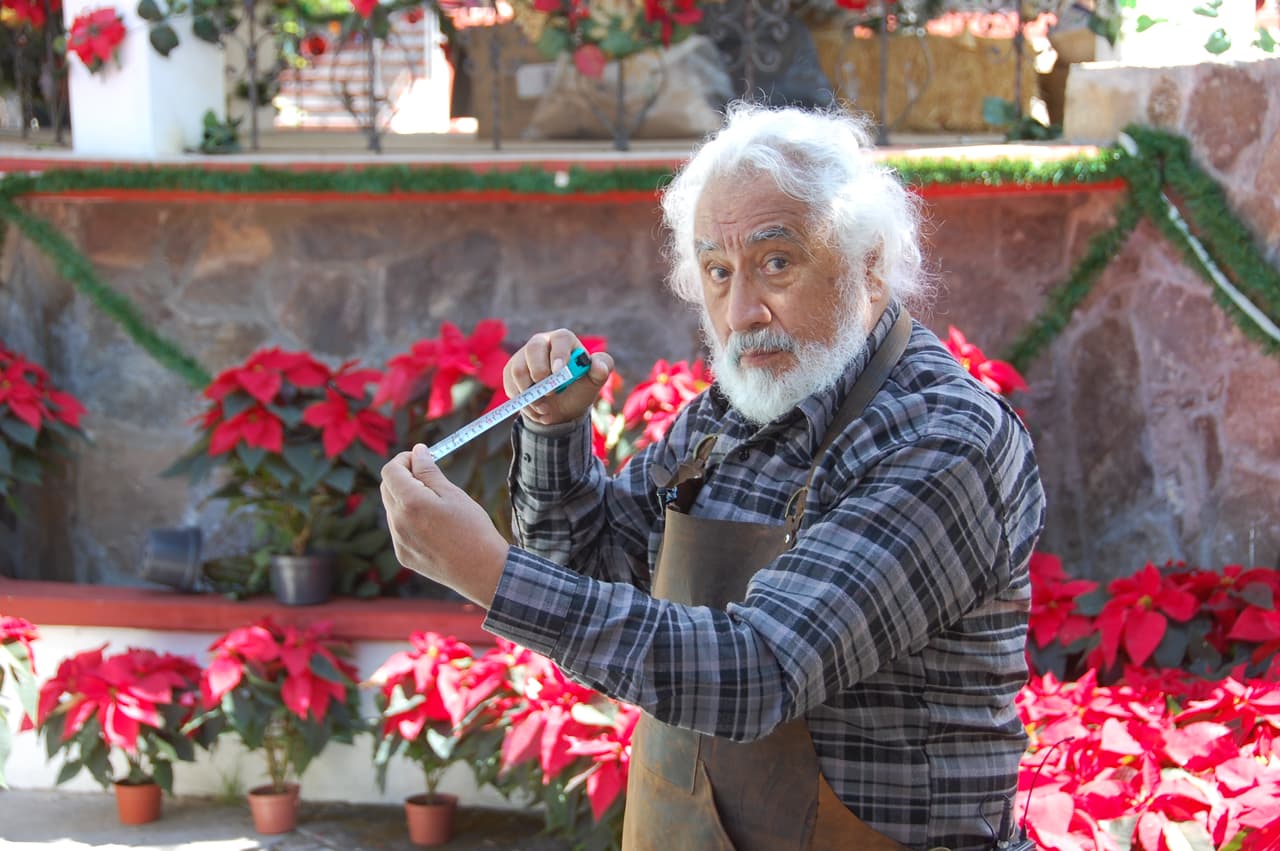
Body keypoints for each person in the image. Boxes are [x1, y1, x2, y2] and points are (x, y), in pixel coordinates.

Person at [381, 104, 1046, 851]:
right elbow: (594, 572)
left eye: (776, 262)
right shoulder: (731, 415)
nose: (741, 311)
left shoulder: (941, 440)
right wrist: (554, 432)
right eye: (718, 271)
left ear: (870, 264)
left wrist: (488, 574)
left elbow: (759, 671)